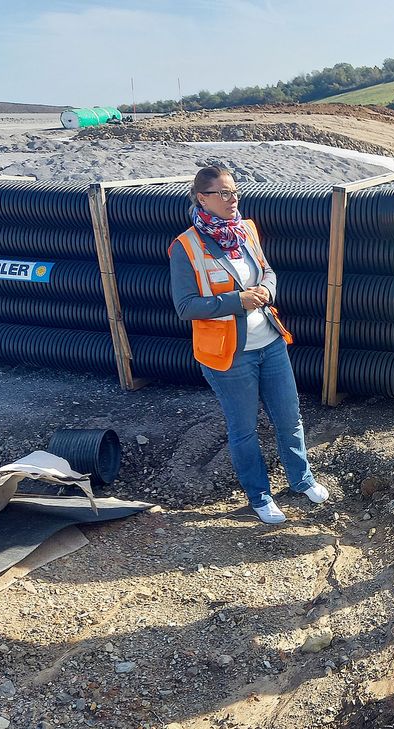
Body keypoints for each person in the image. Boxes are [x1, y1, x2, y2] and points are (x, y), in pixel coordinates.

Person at [169, 165, 329, 525]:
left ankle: (301, 479)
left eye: (234, 191)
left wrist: (267, 291)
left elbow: (267, 271)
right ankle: (259, 496)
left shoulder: (246, 230)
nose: (232, 198)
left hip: (270, 342)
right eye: (223, 193)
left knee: (289, 418)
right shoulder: (186, 246)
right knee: (243, 429)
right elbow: (185, 306)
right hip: (228, 355)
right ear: (202, 199)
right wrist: (236, 301)